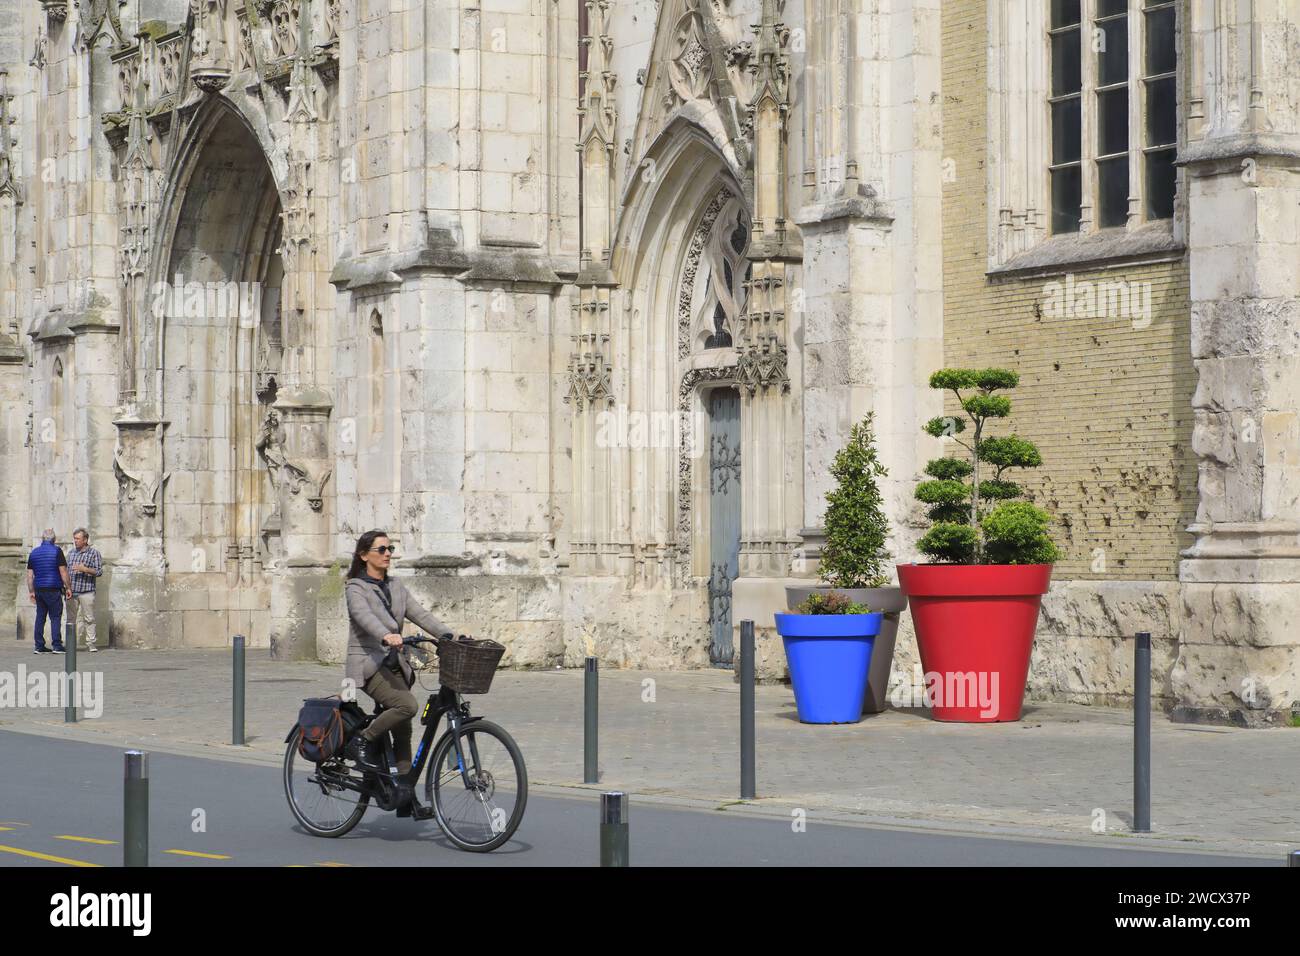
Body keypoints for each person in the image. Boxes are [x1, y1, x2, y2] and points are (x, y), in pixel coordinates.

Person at [343, 530, 449, 775]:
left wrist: (451, 636)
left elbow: (421, 615)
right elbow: (363, 616)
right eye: (381, 549)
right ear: (363, 555)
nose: (388, 554)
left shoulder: (396, 586)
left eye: (390, 549)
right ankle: (362, 740)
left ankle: (404, 793)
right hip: (369, 664)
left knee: (403, 729)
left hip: (394, 664)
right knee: (407, 706)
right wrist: (385, 635)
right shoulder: (355, 588)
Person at [26, 529, 72, 654]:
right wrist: (68, 588)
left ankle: (39, 646)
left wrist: (31, 592)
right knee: (55, 617)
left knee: (40, 617)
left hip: (39, 589)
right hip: (53, 588)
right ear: (54, 539)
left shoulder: (34, 553)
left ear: (42, 538)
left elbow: (29, 576)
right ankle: (57, 645)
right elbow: (63, 572)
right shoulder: (57, 551)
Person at [66, 528, 103, 653]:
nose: (75, 541)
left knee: (89, 618)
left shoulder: (94, 553)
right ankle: (71, 643)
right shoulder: (71, 553)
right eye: (74, 539)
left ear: (85, 540)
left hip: (87, 591)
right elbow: (65, 571)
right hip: (72, 591)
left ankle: (91, 643)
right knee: (71, 619)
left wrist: (85, 569)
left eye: (78, 539)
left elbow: (99, 571)